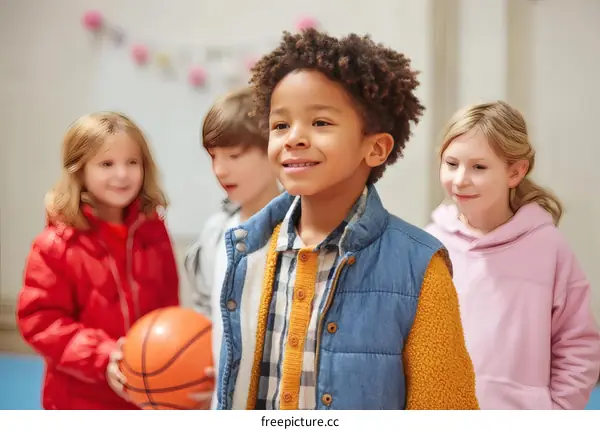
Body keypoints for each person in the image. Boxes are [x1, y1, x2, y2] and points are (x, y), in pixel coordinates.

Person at [212, 28, 479, 410]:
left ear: (375, 148)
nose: (294, 139)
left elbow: (445, 406)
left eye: (320, 123)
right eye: (280, 125)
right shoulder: (246, 250)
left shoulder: (419, 269)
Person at [425, 100, 600, 409]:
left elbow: (578, 346)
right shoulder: (429, 245)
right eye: (451, 164)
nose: (460, 179)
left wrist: (556, 415)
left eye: (479, 167)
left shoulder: (549, 248)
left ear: (516, 171)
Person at [17, 112, 180, 410]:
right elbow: (40, 321)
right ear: (79, 170)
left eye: (132, 162)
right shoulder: (55, 245)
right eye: (106, 164)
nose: (122, 174)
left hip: (146, 394)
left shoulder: (154, 234)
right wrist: (103, 356)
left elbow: (168, 309)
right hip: (80, 400)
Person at [184, 86, 281, 409]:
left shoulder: (297, 230)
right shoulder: (216, 232)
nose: (220, 170)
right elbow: (205, 308)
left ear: (273, 150)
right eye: (213, 156)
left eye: (234, 156)